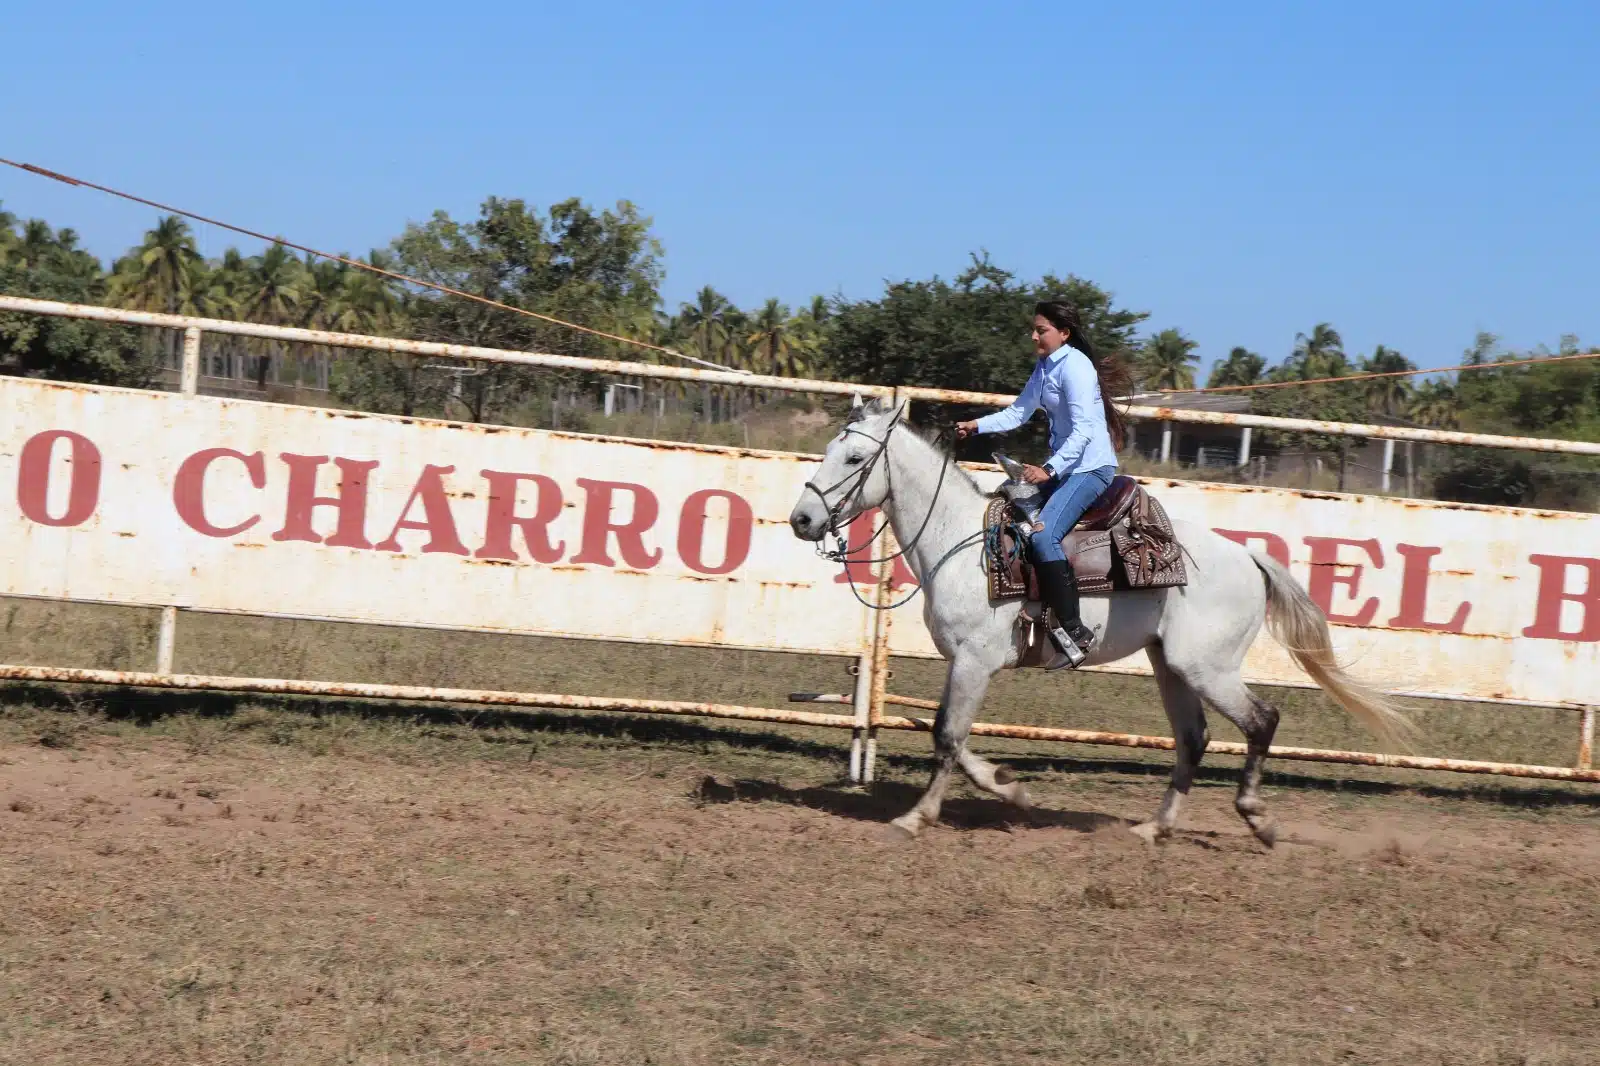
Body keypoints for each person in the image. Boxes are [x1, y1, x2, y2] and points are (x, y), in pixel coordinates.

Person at [955, 300, 1130, 668]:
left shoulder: (1077, 368)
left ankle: (1075, 631)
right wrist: (977, 425)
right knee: (1008, 509)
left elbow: (1084, 430)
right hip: (1067, 469)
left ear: (1063, 333)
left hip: (1089, 469)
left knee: (1042, 534)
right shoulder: (1045, 368)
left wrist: (1049, 470)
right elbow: (1019, 411)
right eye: (1034, 329)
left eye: (1042, 330)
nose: (1034, 335)